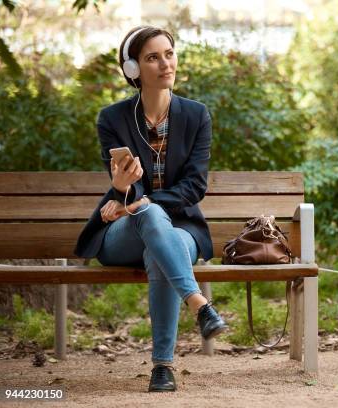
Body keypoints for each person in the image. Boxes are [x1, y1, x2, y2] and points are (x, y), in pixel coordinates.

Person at [74, 25, 227, 392]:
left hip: (182, 232)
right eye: (152, 57)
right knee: (151, 217)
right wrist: (124, 190)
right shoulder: (112, 119)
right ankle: (198, 304)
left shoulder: (196, 115)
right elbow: (127, 185)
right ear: (133, 69)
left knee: (160, 238)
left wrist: (142, 203)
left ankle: (162, 368)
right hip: (122, 236)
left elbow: (195, 186)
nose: (164, 63)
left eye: (169, 54)